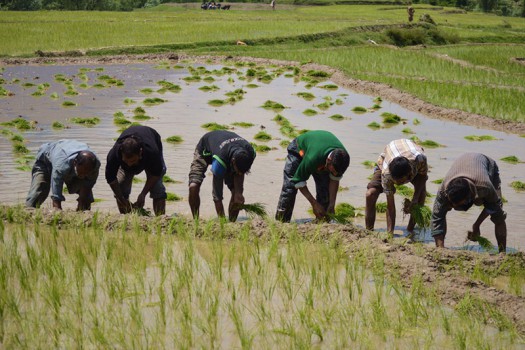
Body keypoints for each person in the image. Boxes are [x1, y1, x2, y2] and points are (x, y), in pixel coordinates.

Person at [431, 153, 507, 253]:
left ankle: (502, 253)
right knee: (441, 209)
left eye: (459, 204)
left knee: (498, 216)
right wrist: (440, 250)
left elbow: (493, 208)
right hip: (463, 163)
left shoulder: (485, 187)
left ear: (470, 197)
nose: (454, 208)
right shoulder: (443, 190)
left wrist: (476, 225)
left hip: (488, 166)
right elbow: (437, 218)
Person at [275, 130, 350, 222]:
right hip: (299, 150)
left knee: (324, 192)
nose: (332, 174)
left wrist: (332, 203)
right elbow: (298, 180)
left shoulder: (342, 159)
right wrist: (314, 203)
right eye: (332, 171)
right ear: (329, 160)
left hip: (320, 154)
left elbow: (334, 179)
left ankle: (322, 223)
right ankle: (281, 222)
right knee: (290, 187)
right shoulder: (312, 158)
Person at [188, 130, 256, 221]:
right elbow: (217, 196)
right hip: (205, 150)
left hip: (228, 151)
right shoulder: (220, 161)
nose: (240, 174)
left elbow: (240, 174)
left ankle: (232, 223)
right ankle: (195, 221)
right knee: (193, 186)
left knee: (237, 194)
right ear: (233, 162)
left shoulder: (250, 153)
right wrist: (222, 223)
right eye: (238, 172)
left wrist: (238, 193)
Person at [365, 139, 428, 235]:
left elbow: (423, 178)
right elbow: (390, 206)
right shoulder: (387, 174)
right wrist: (390, 234)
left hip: (410, 152)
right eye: (395, 181)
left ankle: (410, 231)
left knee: (421, 195)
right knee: (370, 194)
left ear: (409, 174)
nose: (398, 184)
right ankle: (368, 232)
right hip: (388, 155)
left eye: (401, 181)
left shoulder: (420, 160)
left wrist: (415, 199)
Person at [106, 125, 166, 216]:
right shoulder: (114, 154)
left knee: (157, 188)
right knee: (121, 186)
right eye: (126, 161)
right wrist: (121, 199)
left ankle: (161, 219)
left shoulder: (152, 152)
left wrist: (143, 194)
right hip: (129, 158)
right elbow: (111, 178)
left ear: (140, 153)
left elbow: (155, 174)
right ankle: (125, 217)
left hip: (152, 140)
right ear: (121, 153)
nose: (129, 164)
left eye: (133, 161)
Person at [26, 139, 100, 211]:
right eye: (81, 172)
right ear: (75, 163)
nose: (83, 175)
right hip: (46, 161)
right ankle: (29, 211)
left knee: (86, 197)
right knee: (40, 188)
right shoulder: (62, 164)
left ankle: (83, 213)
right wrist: (57, 209)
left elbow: (88, 184)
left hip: (68, 162)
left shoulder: (95, 165)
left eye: (87, 173)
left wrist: (83, 199)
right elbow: (56, 185)